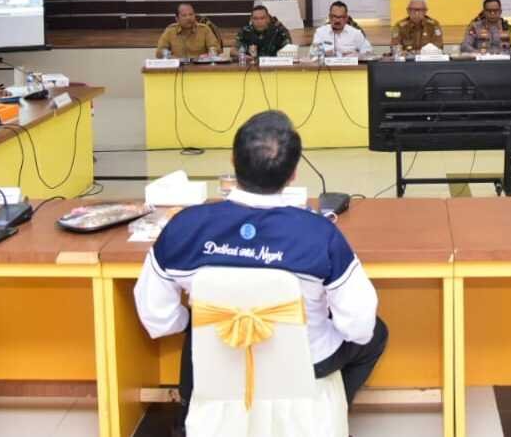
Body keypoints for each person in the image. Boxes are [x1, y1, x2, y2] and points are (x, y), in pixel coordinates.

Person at [135, 111, 388, 409]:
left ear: (232, 161)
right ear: (293, 172)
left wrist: (195, 323)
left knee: (195, 327)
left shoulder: (183, 227)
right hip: (306, 362)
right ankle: (325, 413)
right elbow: (359, 324)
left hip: (217, 360)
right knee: (376, 334)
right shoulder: (320, 234)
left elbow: (157, 318)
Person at [156, 3, 221, 59]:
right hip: (177, 68)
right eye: (184, 15)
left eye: (191, 14)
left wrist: (210, 54)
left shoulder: (204, 29)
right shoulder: (170, 31)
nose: (188, 18)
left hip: (200, 67)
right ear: (177, 19)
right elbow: (159, 52)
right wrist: (170, 57)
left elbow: (215, 48)